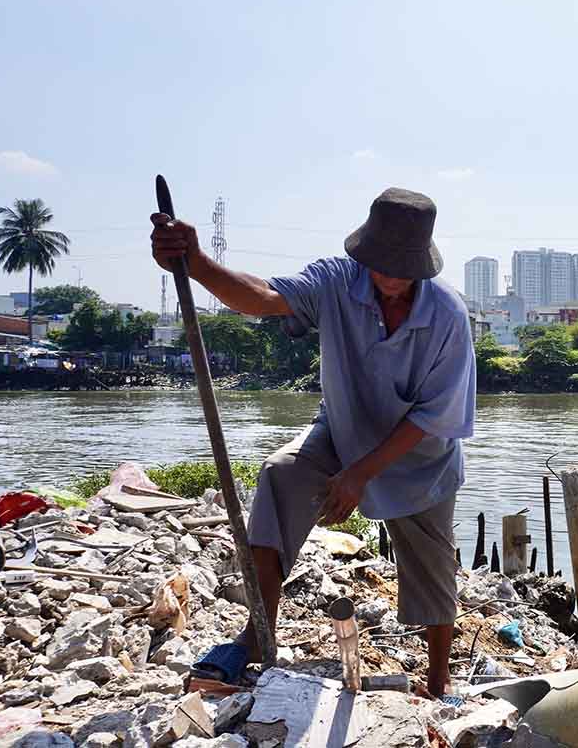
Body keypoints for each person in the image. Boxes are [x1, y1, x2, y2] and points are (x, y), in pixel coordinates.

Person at [150, 187, 475, 698]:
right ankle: (259, 634)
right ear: (364, 252)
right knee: (280, 474)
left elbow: (435, 416)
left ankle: (438, 676)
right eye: (380, 263)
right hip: (342, 430)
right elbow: (260, 297)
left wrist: (361, 474)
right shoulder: (336, 281)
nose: (389, 276)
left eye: (402, 267)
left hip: (419, 455)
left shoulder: (448, 316)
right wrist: (196, 263)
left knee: (433, 566)